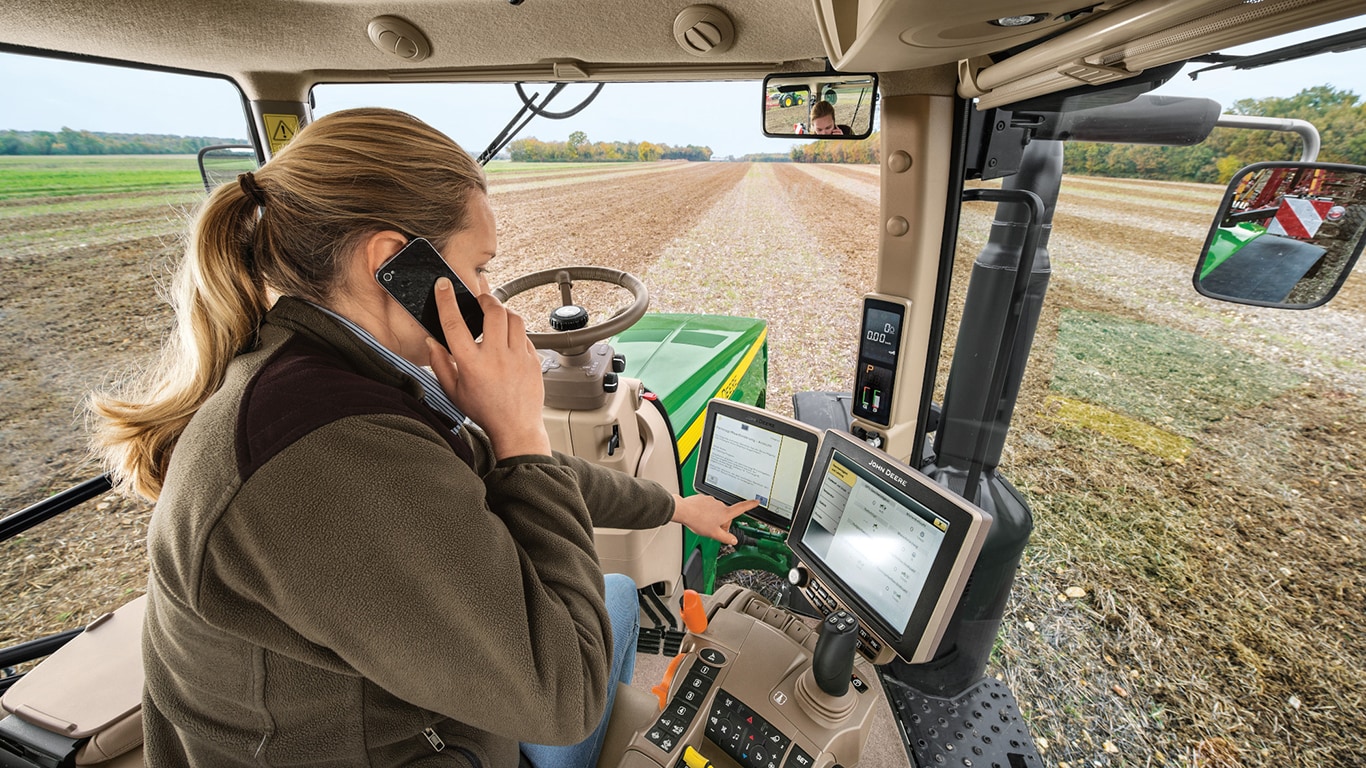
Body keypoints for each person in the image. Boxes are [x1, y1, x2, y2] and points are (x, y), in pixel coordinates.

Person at [88, 107, 754, 768]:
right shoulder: (331, 453)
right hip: (439, 739)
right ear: (392, 264)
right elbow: (567, 698)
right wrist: (521, 426)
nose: (492, 300)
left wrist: (673, 506)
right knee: (612, 619)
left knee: (609, 594)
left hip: (415, 715)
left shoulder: (324, 376)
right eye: (482, 268)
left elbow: (502, 468)